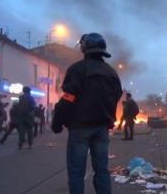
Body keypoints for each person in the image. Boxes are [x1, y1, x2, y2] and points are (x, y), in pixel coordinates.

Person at [51, 33, 122, 194]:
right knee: (102, 169)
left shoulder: (77, 69)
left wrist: (57, 121)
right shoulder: (111, 72)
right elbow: (116, 95)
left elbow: (68, 98)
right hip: (101, 128)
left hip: (80, 128)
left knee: (77, 171)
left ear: (84, 48)